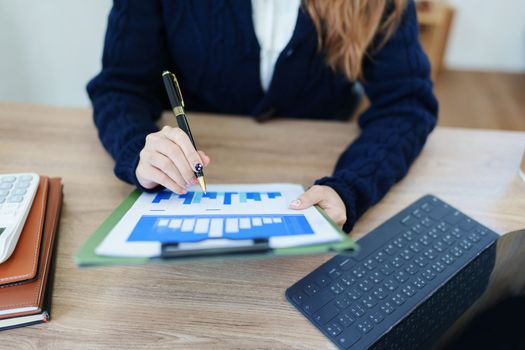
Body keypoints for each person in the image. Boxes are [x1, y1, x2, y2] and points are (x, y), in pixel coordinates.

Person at [87, 0, 438, 232]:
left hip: (317, 167)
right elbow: (120, 87)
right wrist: (138, 151)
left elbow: (406, 104)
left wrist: (352, 187)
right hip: (203, 174)